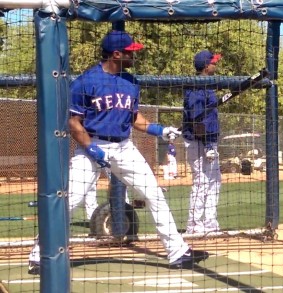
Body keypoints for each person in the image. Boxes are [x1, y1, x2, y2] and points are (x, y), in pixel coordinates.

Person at [28, 31, 207, 275]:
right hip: (92, 145)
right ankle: (40, 255)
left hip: (124, 147)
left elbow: (135, 118)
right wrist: (91, 148)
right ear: (116, 54)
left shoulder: (131, 82)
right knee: (70, 201)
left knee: (154, 194)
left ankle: (177, 252)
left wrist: (159, 130)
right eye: (131, 51)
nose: (135, 55)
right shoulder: (85, 81)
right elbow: (73, 123)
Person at [182, 50, 222, 234]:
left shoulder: (207, 85)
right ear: (206, 66)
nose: (216, 64)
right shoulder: (197, 88)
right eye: (213, 62)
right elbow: (197, 119)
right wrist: (207, 145)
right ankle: (194, 225)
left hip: (208, 141)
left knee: (214, 181)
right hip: (199, 142)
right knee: (202, 182)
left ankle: (210, 222)